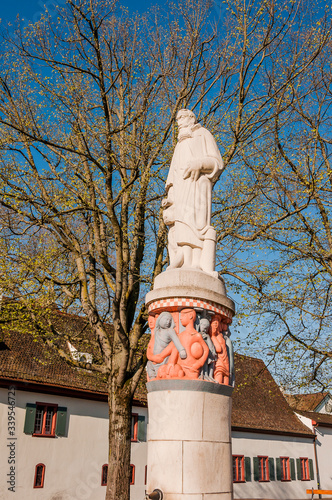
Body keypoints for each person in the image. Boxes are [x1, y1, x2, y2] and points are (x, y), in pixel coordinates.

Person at [162, 109, 224, 275]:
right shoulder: (179, 144)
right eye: (177, 119)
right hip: (181, 190)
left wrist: (200, 164)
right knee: (181, 223)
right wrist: (170, 195)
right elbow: (173, 173)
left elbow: (217, 162)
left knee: (198, 224)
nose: (178, 122)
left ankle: (197, 262)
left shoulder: (203, 134)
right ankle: (186, 261)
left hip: (198, 187)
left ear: (191, 118)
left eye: (181, 118)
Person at [210, 314, 230, 385]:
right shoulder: (215, 337)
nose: (216, 324)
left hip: (222, 360)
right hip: (221, 360)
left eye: (217, 322)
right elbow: (218, 349)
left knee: (223, 377)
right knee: (223, 377)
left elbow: (218, 349)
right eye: (214, 323)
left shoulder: (217, 336)